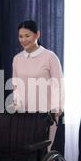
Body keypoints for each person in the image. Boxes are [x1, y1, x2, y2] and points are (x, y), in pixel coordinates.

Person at [12, 20, 64, 151]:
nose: (23, 40)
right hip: (24, 114)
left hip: (45, 115)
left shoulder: (50, 57)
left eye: (27, 36)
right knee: (27, 153)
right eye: (20, 36)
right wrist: (16, 103)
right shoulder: (17, 59)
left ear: (37, 35)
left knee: (45, 152)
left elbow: (58, 84)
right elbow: (16, 85)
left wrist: (57, 108)